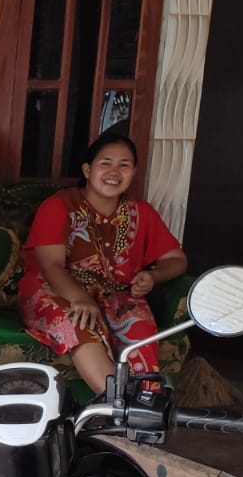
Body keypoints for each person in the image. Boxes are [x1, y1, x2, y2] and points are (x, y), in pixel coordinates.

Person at [18, 132, 188, 394]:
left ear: (133, 173)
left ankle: (145, 408)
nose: (114, 172)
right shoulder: (59, 206)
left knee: (140, 328)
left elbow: (176, 260)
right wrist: (79, 298)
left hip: (118, 296)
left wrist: (154, 276)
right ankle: (117, 408)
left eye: (124, 165)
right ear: (88, 170)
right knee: (80, 323)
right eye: (105, 163)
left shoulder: (141, 212)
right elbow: (51, 265)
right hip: (56, 290)